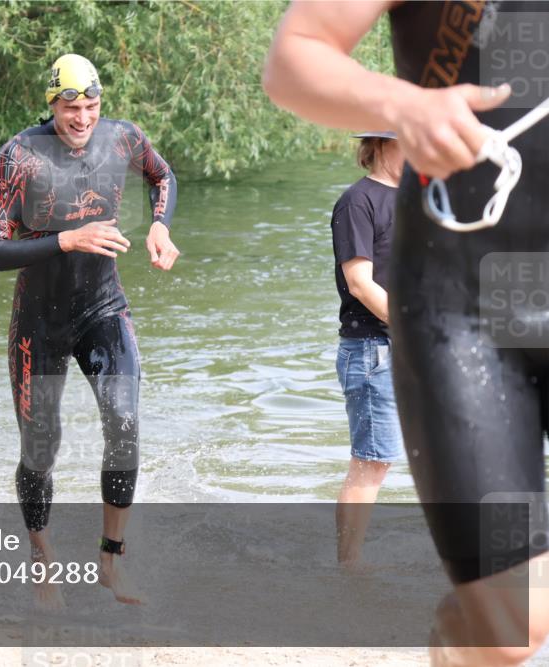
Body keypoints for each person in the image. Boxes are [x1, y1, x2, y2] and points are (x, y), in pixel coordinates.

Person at [264, 1, 548, 665]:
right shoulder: (358, 202)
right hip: (465, 309)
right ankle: (462, 637)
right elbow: (295, 54)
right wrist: (406, 105)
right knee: (516, 620)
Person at [0, 53, 179, 607]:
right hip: (38, 323)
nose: (83, 118)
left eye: (92, 106)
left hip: (103, 308)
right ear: (52, 104)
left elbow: (163, 174)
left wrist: (160, 227)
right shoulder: (19, 156)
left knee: (124, 422)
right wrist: (68, 238)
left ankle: (110, 564)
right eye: (72, 108)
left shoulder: (123, 138)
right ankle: (43, 562)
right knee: (41, 449)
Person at [331, 130, 406, 567]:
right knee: (371, 463)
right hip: (372, 349)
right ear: (379, 144)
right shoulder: (357, 201)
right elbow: (360, 283)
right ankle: (349, 566)